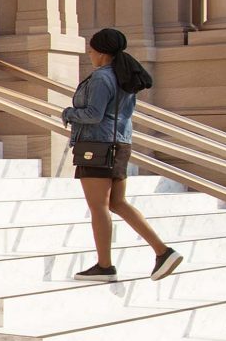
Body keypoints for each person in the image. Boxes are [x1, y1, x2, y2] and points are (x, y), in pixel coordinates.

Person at [63, 28, 181, 283]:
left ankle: (105, 266)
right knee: (117, 203)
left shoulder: (101, 78)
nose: (90, 55)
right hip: (120, 144)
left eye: (92, 50)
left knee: (98, 207)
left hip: (97, 146)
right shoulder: (123, 76)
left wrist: (68, 113)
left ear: (102, 52)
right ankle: (163, 251)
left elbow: (94, 114)